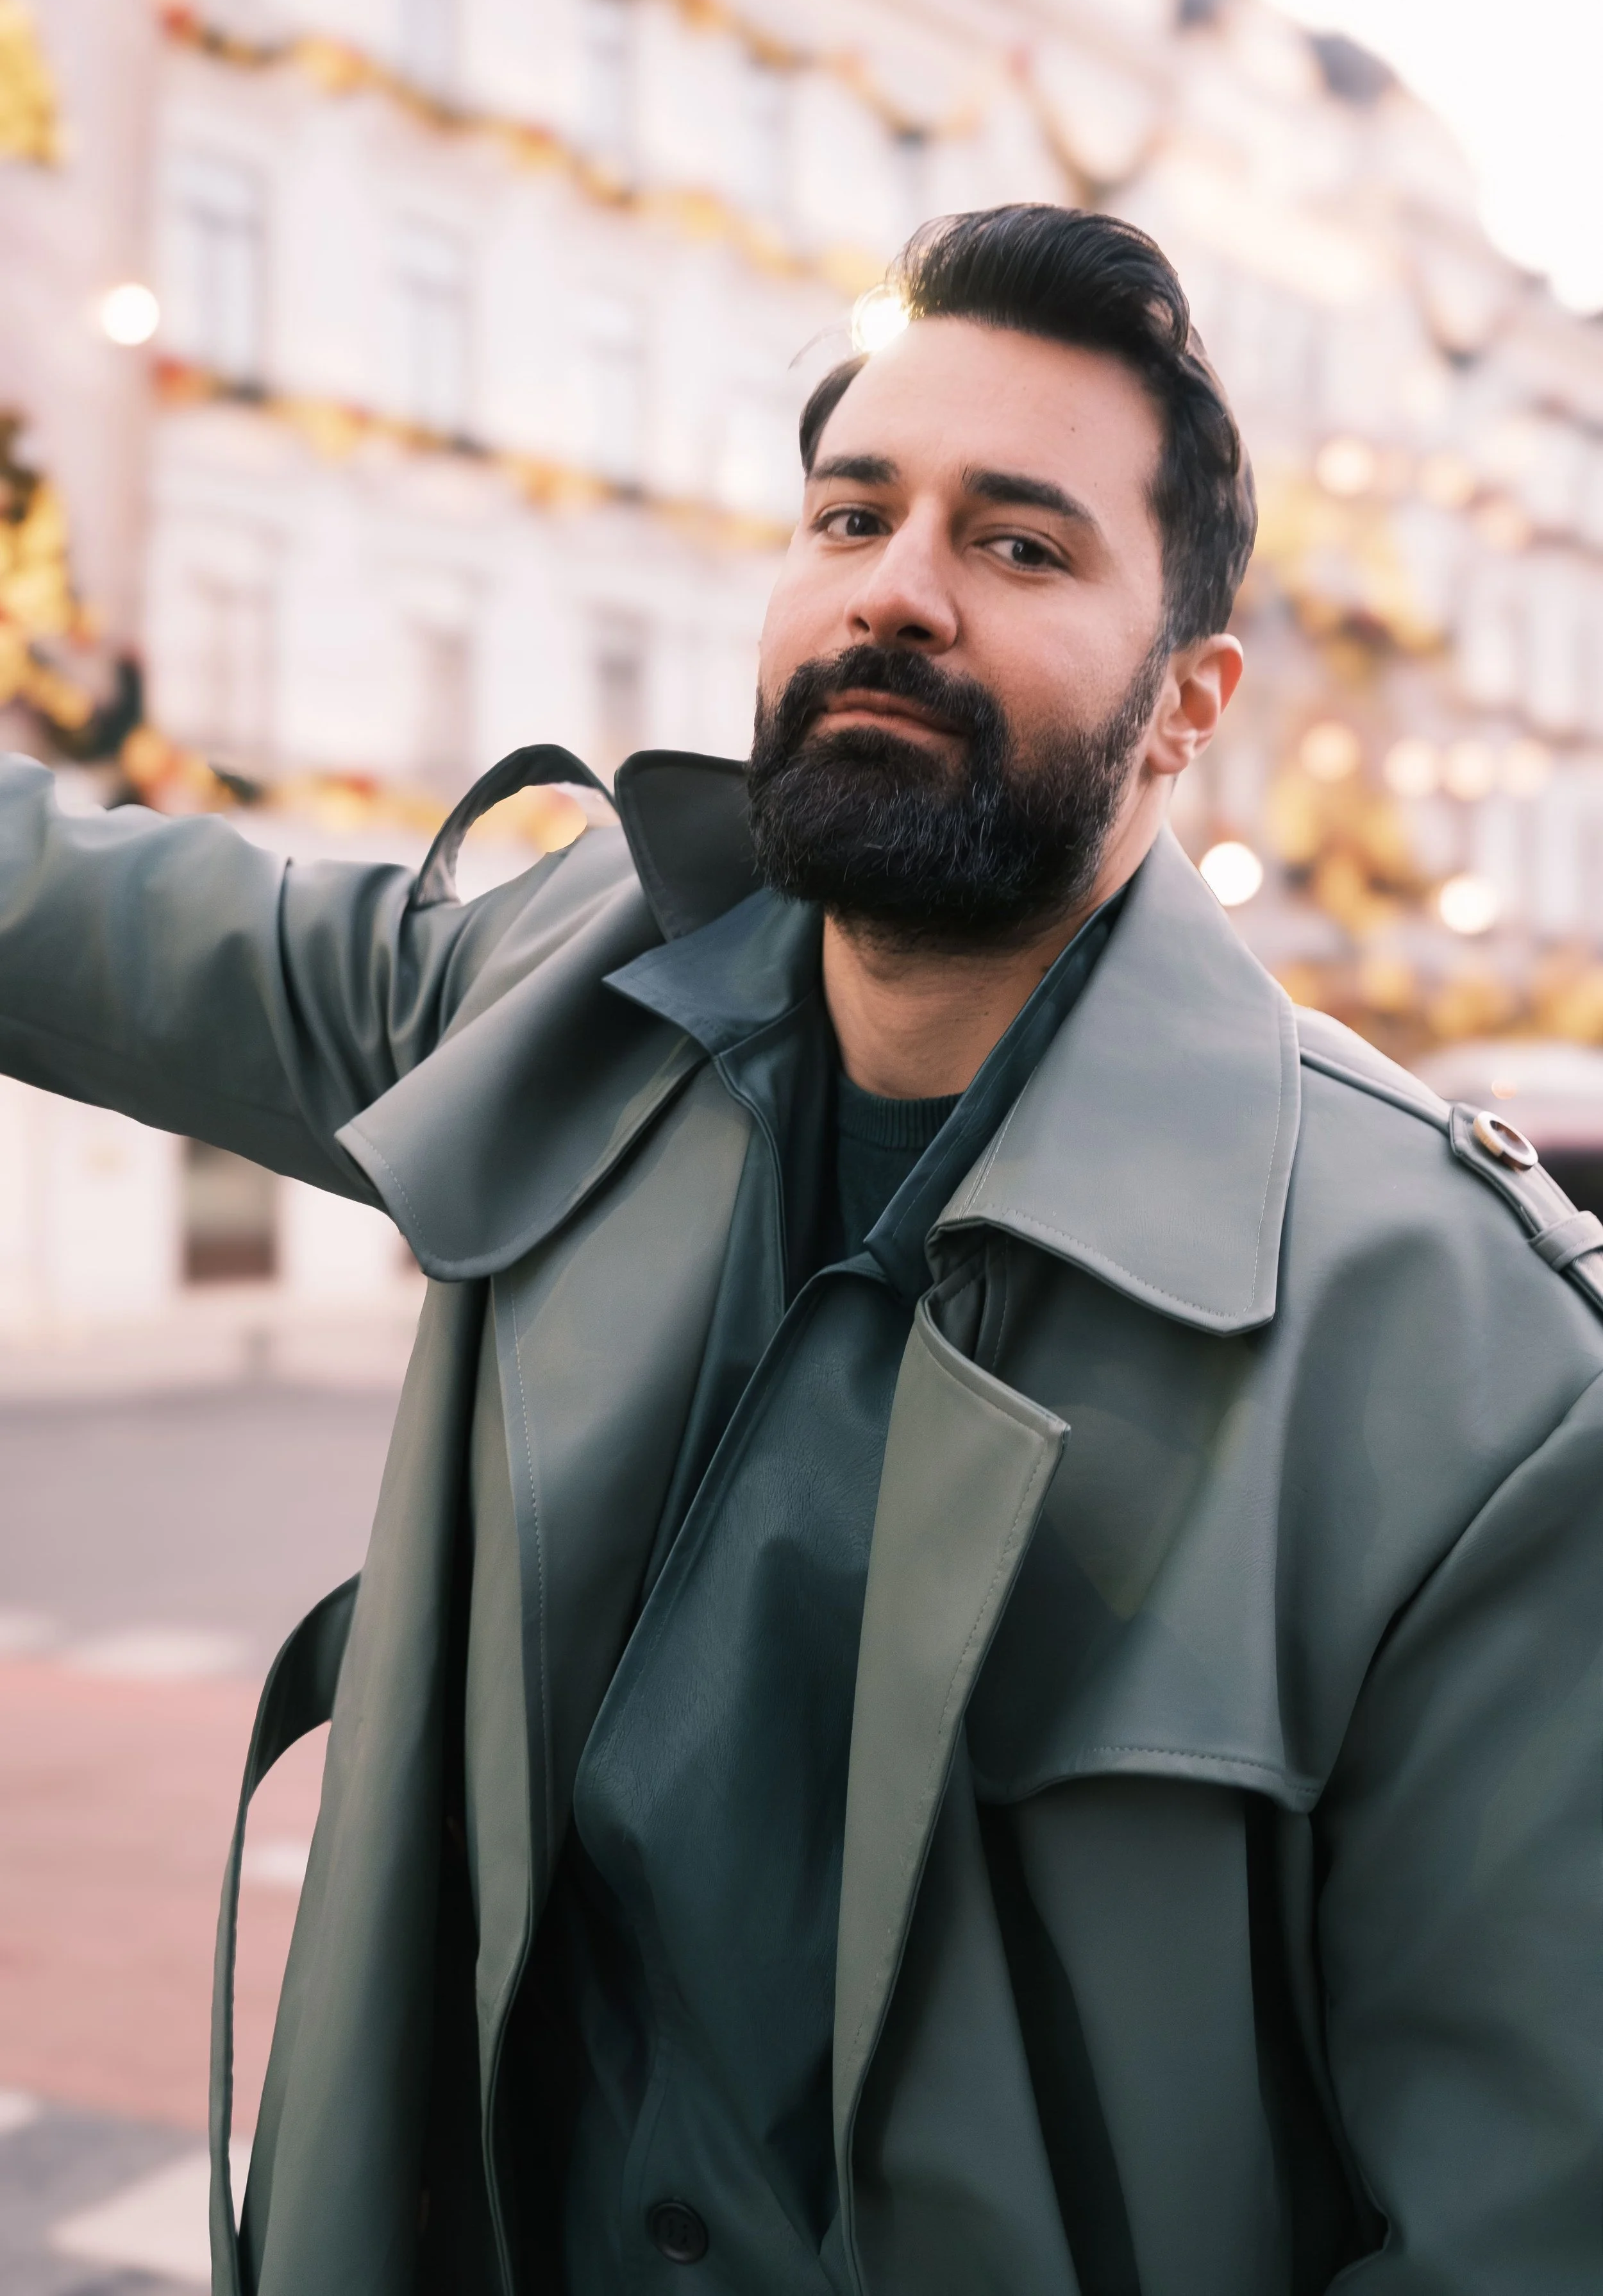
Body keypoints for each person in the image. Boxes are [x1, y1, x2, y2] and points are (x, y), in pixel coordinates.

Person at [1, 205, 1599, 2296]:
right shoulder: (568, 1006)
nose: (898, 593)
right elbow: (105, 921)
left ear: (1188, 702)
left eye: (1017, 545)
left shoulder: (1470, 1359)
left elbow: (1517, 2226)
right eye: (851, 515)